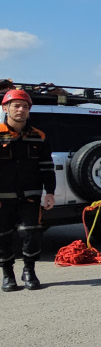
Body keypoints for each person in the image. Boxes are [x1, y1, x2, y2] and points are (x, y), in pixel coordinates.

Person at [0, 89, 55, 292]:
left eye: (25, 106)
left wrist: (50, 192)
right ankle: (8, 275)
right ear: (5, 108)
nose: (21, 110)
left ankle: (29, 271)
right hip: (2, 198)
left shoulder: (39, 136)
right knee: (3, 237)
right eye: (16, 105)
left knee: (32, 234)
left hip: (30, 196)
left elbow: (47, 167)